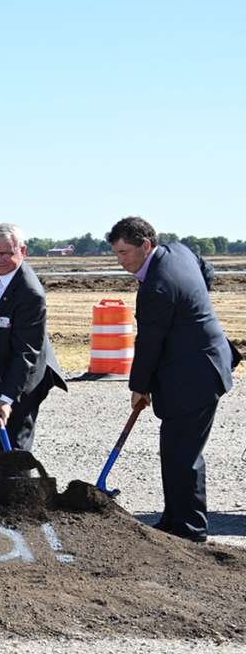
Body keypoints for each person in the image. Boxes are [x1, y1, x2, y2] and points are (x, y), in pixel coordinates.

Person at [109, 216, 238, 542]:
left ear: (145, 245)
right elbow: (206, 271)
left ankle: (190, 529)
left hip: (196, 376)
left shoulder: (157, 286)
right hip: (196, 366)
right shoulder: (179, 252)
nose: (120, 261)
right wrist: (193, 310)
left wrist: (139, 387)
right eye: (117, 253)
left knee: (183, 453)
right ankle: (173, 518)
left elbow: (149, 344)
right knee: (174, 449)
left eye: (124, 252)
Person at [0, 223, 67, 475]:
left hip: (23, 373)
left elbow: (26, 352)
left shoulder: (30, 293)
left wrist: (7, 398)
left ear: (23, 250)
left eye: (7, 253)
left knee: (13, 439)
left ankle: (20, 490)